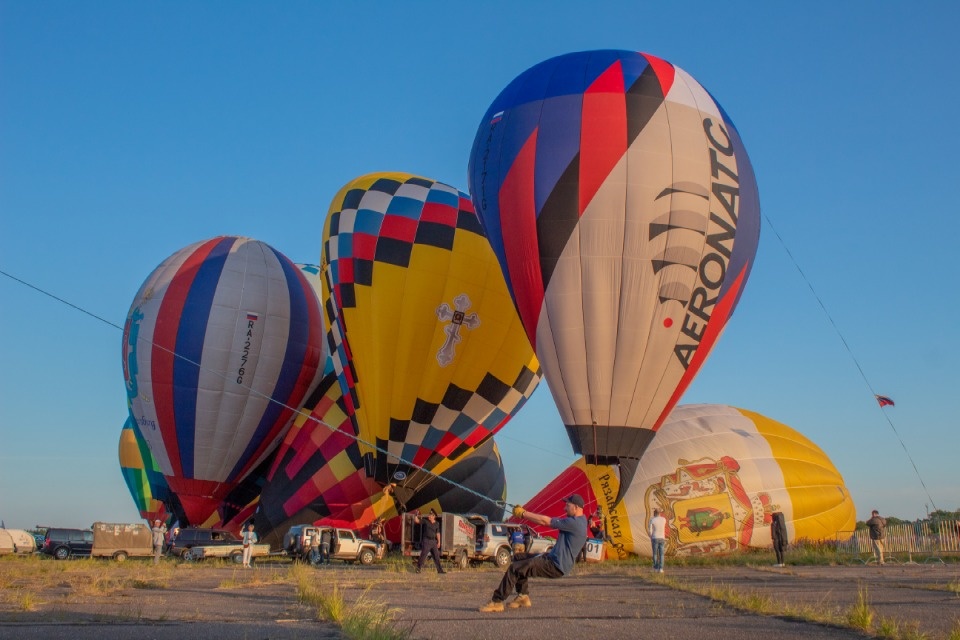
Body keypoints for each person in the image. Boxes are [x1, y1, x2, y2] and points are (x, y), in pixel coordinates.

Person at [479, 494, 588, 613]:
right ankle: (523, 596)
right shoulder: (581, 521)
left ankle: (497, 602)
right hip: (552, 559)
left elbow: (544, 521)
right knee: (518, 558)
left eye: (567, 505)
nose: (564, 508)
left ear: (576, 507)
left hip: (555, 565)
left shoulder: (574, 523)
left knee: (514, 568)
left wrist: (523, 514)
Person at [414, 510, 445, 574]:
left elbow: (438, 533)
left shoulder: (437, 523)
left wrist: (439, 542)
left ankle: (440, 570)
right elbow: (417, 521)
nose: (429, 516)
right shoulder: (426, 521)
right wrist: (416, 515)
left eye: (430, 515)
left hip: (433, 542)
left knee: (436, 556)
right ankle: (418, 569)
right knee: (423, 555)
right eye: (429, 515)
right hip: (426, 541)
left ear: (434, 516)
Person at [648, 508, 667, 573]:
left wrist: (651, 537)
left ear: (654, 513)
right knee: (661, 554)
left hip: (655, 538)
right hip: (662, 538)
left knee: (655, 554)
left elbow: (650, 531)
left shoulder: (652, 520)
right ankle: (661, 569)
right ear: (660, 513)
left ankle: (656, 568)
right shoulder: (664, 519)